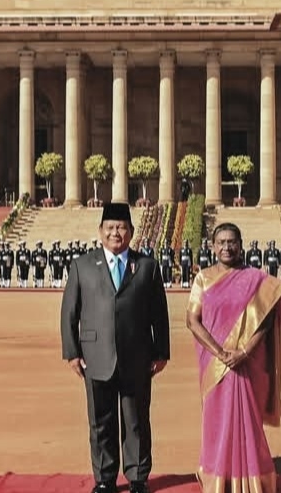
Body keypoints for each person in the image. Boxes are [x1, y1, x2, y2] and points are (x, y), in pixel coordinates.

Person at [60, 202, 170, 493]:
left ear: (131, 232)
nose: (115, 233)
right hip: (95, 355)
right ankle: (104, 478)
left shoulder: (147, 266)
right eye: (110, 227)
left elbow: (159, 312)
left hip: (138, 355)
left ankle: (137, 477)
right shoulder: (82, 265)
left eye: (121, 227)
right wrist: (72, 352)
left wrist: (161, 351)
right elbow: (70, 311)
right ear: (100, 231)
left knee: (136, 420)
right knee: (100, 421)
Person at [186, 223, 281, 493]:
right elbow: (192, 321)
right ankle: (218, 479)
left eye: (232, 242)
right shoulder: (203, 279)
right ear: (212, 246)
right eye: (221, 242)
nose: (226, 247)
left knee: (248, 422)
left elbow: (266, 321)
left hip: (248, 363)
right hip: (213, 364)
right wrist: (220, 353)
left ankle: (253, 480)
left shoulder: (257, 279)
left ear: (241, 245)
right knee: (216, 421)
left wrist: (244, 352)